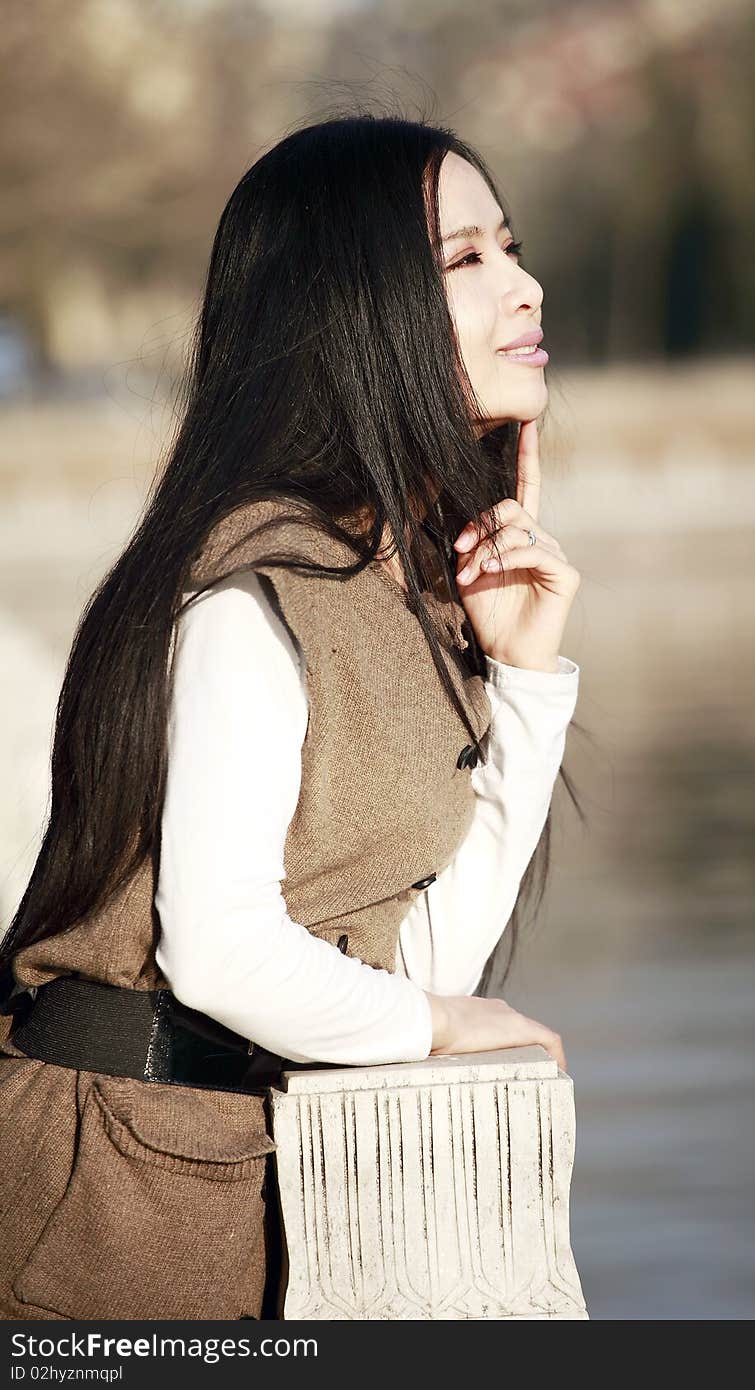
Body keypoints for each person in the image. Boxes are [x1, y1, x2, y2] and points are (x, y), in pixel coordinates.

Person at [0, 109, 584, 1321]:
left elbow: (415, 961)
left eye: (510, 248)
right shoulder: (253, 585)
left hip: (252, 1184)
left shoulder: (392, 579)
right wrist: (444, 1023)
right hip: (99, 1206)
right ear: (354, 311)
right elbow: (218, 947)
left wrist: (524, 683)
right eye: (465, 260)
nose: (524, 287)